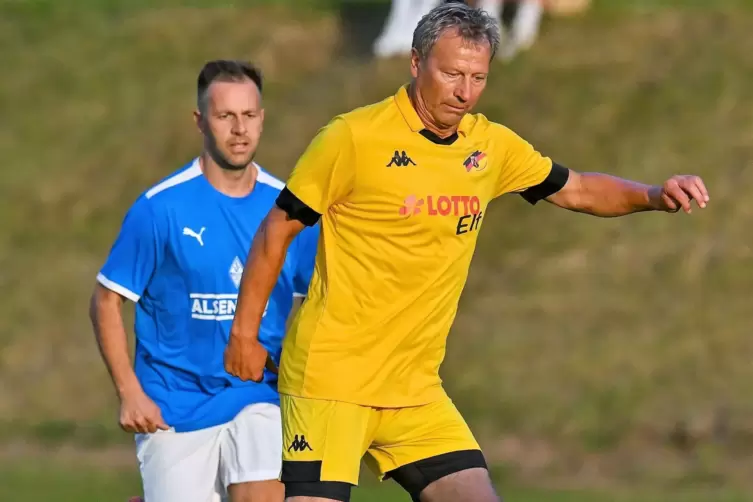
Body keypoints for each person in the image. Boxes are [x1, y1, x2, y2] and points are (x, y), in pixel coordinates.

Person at [224, 2, 709, 501]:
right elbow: (275, 231)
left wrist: (654, 196)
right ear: (416, 63)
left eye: (478, 77)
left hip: (413, 388)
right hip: (332, 379)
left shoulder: (490, 146)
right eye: (452, 73)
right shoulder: (352, 137)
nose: (464, 92)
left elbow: (579, 189)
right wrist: (244, 332)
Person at [90, 60, 318, 502]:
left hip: (257, 396)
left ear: (262, 119)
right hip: (172, 405)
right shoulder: (160, 208)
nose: (239, 129)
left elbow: (319, 304)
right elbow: (105, 301)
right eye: (225, 116)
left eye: (249, 116)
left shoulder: (289, 210)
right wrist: (129, 393)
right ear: (200, 121)